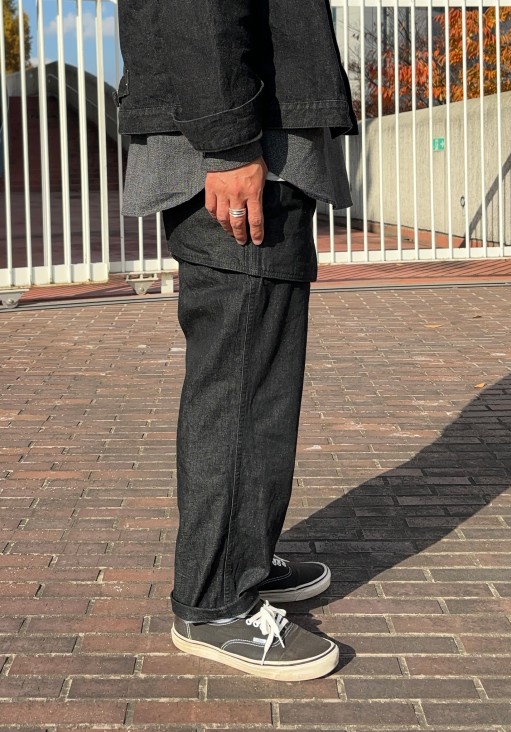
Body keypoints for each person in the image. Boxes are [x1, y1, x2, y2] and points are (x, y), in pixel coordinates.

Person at [115, 0, 357, 681]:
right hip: (240, 145)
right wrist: (227, 140)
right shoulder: (232, 143)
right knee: (243, 379)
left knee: (258, 372)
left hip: (251, 135)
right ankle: (216, 600)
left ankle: (241, 555)